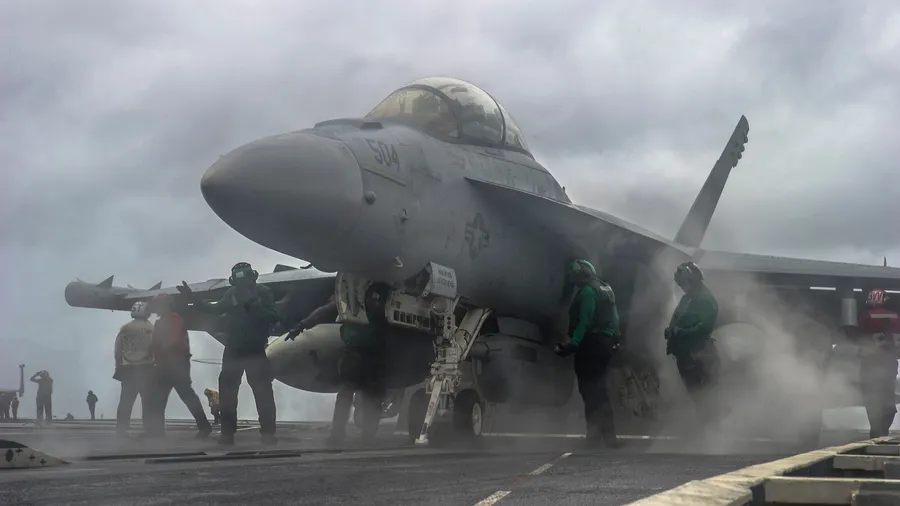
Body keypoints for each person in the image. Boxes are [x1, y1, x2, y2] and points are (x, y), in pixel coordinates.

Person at [177, 262, 280, 445]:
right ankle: (231, 433)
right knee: (231, 392)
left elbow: (274, 316)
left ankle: (263, 433)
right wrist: (194, 299)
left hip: (253, 347)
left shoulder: (262, 293)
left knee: (259, 390)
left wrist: (255, 307)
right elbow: (215, 309)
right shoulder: (233, 293)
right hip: (237, 347)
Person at [286, 284, 391, 445]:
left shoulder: (355, 303)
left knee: (358, 396)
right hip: (361, 357)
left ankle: (345, 435)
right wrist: (301, 326)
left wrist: (301, 326)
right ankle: (352, 436)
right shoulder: (360, 303)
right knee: (361, 396)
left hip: (367, 357)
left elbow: (324, 311)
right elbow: (325, 311)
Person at [553, 259, 622, 448]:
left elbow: (585, 321)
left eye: (575, 277)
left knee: (590, 391)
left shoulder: (588, 292)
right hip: (605, 344)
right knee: (600, 390)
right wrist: (616, 337)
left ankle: (594, 436)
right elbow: (615, 317)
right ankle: (609, 437)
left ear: (580, 275)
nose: (574, 281)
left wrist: (573, 343)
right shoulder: (606, 288)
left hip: (590, 345)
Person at [148, 293, 212, 439]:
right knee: (165, 398)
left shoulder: (175, 319)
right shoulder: (164, 321)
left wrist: (162, 349)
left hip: (175, 365)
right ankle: (157, 431)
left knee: (180, 396)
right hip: (168, 365)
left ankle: (203, 427)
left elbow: (174, 340)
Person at [664, 261, 720, 426]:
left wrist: (679, 332)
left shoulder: (705, 299)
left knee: (703, 395)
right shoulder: (688, 298)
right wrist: (671, 331)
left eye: (684, 283)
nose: (682, 287)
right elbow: (679, 318)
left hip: (698, 355)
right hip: (688, 354)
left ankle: (709, 427)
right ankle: (706, 427)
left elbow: (704, 327)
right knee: (697, 396)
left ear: (693, 280)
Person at [857, 288, 900, 438]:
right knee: (887, 400)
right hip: (889, 364)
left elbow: (860, 337)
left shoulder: (865, 317)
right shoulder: (896, 317)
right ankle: (883, 430)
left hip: (870, 364)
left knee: (872, 400)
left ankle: (876, 431)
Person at [114, 301, 155, 437]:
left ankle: (121, 428)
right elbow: (156, 348)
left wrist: (118, 366)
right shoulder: (151, 328)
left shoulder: (125, 329)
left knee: (126, 401)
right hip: (146, 368)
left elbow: (117, 349)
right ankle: (148, 428)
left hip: (127, 369)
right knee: (147, 401)